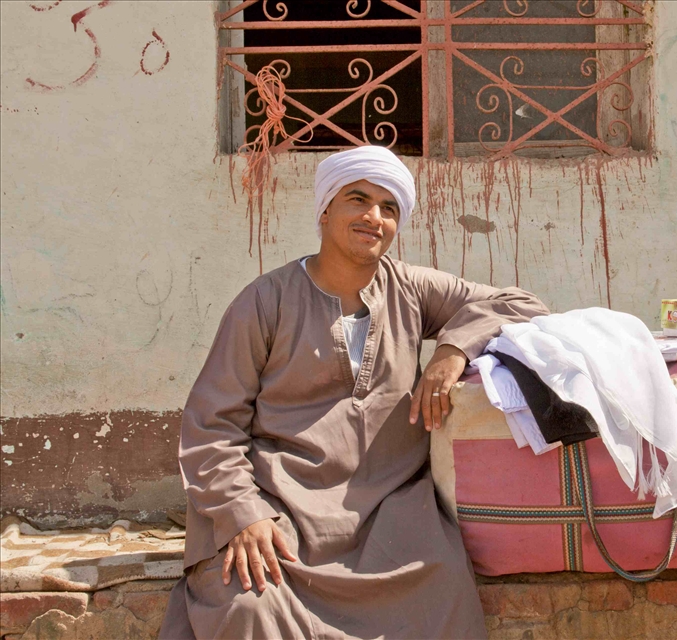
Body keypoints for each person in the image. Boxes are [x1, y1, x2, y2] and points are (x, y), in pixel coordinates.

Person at [158, 146, 549, 639]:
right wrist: (241, 514)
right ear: (325, 211)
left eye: (389, 208)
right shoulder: (264, 301)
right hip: (280, 503)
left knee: (442, 590)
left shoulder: (410, 289)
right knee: (249, 606)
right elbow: (211, 424)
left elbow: (521, 304)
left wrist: (453, 349)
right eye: (358, 200)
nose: (374, 217)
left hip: (390, 509)